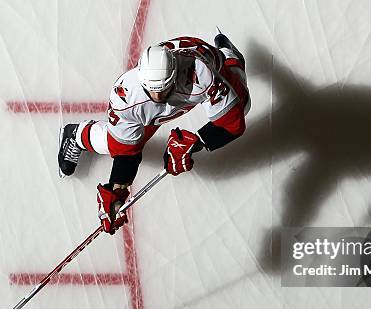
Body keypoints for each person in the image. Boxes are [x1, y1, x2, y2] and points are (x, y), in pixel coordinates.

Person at [57, 30, 250, 234]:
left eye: (163, 88)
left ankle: (230, 56)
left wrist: (196, 143)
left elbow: (233, 124)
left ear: (174, 75)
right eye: (152, 89)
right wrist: (116, 192)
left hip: (208, 59)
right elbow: (127, 153)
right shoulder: (126, 96)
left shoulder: (201, 74)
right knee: (115, 143)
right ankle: (75, 135)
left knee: (242, 104)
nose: (158, 95)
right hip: (163, 97)